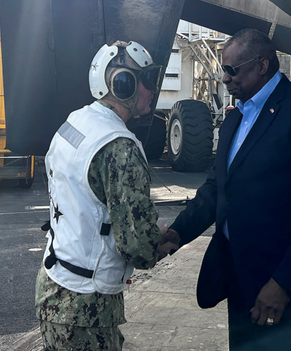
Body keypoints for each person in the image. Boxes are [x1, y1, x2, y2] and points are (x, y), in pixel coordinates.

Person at [164, 28, 291, 350]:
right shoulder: (235, 118)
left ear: (262, 65)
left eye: (232, 70)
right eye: (222, 69)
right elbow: (217, 186)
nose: (225, 78)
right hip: (243, 277)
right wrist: (177, 232)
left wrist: (284, 282)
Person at [35, 41, 179, 351]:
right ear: (122, 83)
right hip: (87, 308)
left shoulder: (76, 122)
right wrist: (158, 241)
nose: (153, 90)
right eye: (147, 81)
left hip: (53, 286)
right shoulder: (120, 147)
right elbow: (137, 247)